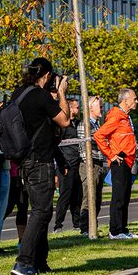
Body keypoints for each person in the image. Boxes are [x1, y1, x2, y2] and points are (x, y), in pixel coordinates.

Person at [10, 58, 72, 275]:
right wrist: (62, 93)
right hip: (39, 162)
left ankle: (39, 261)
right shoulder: (40, 95)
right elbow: (64, 120)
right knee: (41, 212)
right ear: (46, 75)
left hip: (24, 161)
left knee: (41, 211)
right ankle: (23, 261)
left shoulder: (18, 94)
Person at [95, 88, 138, 240]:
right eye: (134, 98)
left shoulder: (126, 117)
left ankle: (122, 229)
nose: (136, 101)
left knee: (125, 196)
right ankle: (114, 231)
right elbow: (99, 135)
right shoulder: (116, 116)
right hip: (119, 161)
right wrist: (111, 155)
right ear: (125, 100)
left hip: (127, 161)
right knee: (118, 197)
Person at [78, 95, 108, 234]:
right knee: (89, 198)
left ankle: (93, 227)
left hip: (99, 164)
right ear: (90, 108)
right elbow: (84, 148)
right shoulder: (85, 124)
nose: (102, 108)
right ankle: (85, 228)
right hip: (90, 165)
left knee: (97, 198)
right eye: (99, 106)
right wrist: (89, 167)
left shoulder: (97, 124)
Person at [53, 98, 82, 232]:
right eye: (76, 107)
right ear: (69, 108)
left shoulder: (78, 124)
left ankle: (77, 224)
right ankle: (58, 225)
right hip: (66, 165)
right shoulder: (63, 126)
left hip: (77, 165)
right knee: (65, 195)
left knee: (77, 196)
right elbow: (56, 146)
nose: (78, 109)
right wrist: (61, 165)